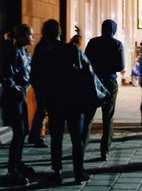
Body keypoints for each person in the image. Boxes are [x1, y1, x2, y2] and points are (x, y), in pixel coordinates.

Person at [30, 19, 92, 184]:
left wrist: (42, 95)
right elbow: (86, 71)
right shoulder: (71, 49)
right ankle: (79, 173)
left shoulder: (41, 51)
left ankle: (57, 172)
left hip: (53, 101)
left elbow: (34, 77)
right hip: (74, 100)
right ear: (60, 32)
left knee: (56, 137)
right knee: (77, 138)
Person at [84, 19, 125, 161]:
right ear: (114, 30)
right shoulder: (117, 44)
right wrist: (109, 66)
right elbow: (120, 66)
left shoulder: (92, 42)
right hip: (109, 82)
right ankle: (104, 151)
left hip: (94, 82)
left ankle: (81, 148)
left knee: (88, 116)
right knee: (107, 118)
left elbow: (85, 62)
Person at [1, 24, 34, 185]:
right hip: (14, 98)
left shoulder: (25, 52)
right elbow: (6, 76)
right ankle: (12, 170)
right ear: (21, 36)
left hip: (22, 96)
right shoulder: (12, 52)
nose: (32, 37)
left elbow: (28, 72)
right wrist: (17, 89)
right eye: (30, 34)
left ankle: (18, 164)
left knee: (23, 131)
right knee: (19, 131)